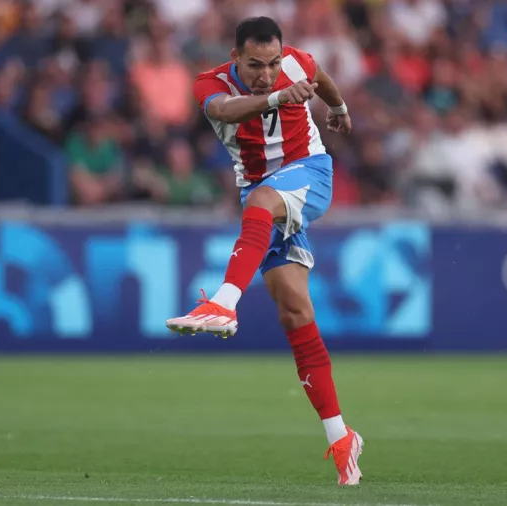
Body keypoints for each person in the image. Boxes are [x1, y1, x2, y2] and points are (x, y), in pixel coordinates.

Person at [164, 17, 363, 485]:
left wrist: (339, 107)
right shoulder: (209, 83)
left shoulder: (298, 63)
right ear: (235, 58)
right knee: (295, 311)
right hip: (264, 191)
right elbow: (226, 111)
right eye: (255, 65)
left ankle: (224, 303)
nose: (267, 73)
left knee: (258, 202)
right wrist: (276, 97)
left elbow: (322, 79)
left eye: (274, 64)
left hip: (309, 174)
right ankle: (341, 437)